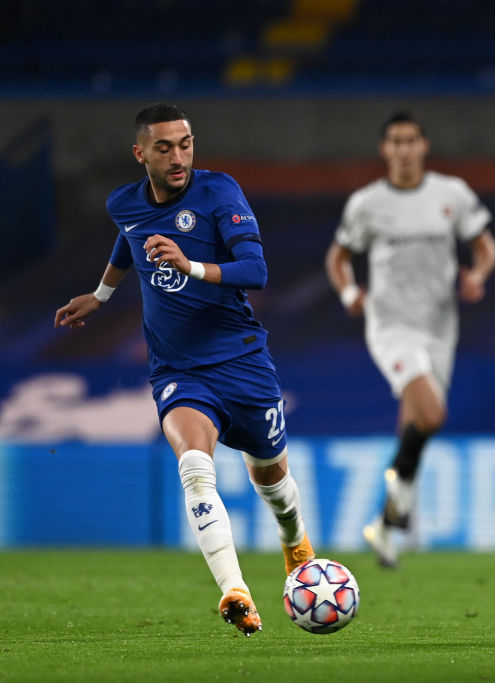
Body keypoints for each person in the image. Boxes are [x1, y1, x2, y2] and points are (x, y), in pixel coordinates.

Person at [54, 104, 315, 637]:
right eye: (165, 147)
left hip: (241, 358)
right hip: (178, 368)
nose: (178, 157)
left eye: (186, 144)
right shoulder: (123, 202)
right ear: (140, 153)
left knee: (271, 481)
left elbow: (256, 270)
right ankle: (235, 592)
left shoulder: (219, 192)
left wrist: (188, 265)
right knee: (195, 466)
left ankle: (295, 545)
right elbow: (129, 237)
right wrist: (101, 295)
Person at [324, 111, 495, 568]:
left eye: (410, 141)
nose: (403, 150)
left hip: (440, 327)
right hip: (391, 325)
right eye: (395, 142)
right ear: (385, 149)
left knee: (417, 423)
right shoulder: (367, 203)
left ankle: (387, 525)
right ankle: (398, 503)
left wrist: (477, 275)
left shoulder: (451, 194)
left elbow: (486, 247)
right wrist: (349, 293)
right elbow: (338, 258)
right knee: (433, 413)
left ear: (424, 146)